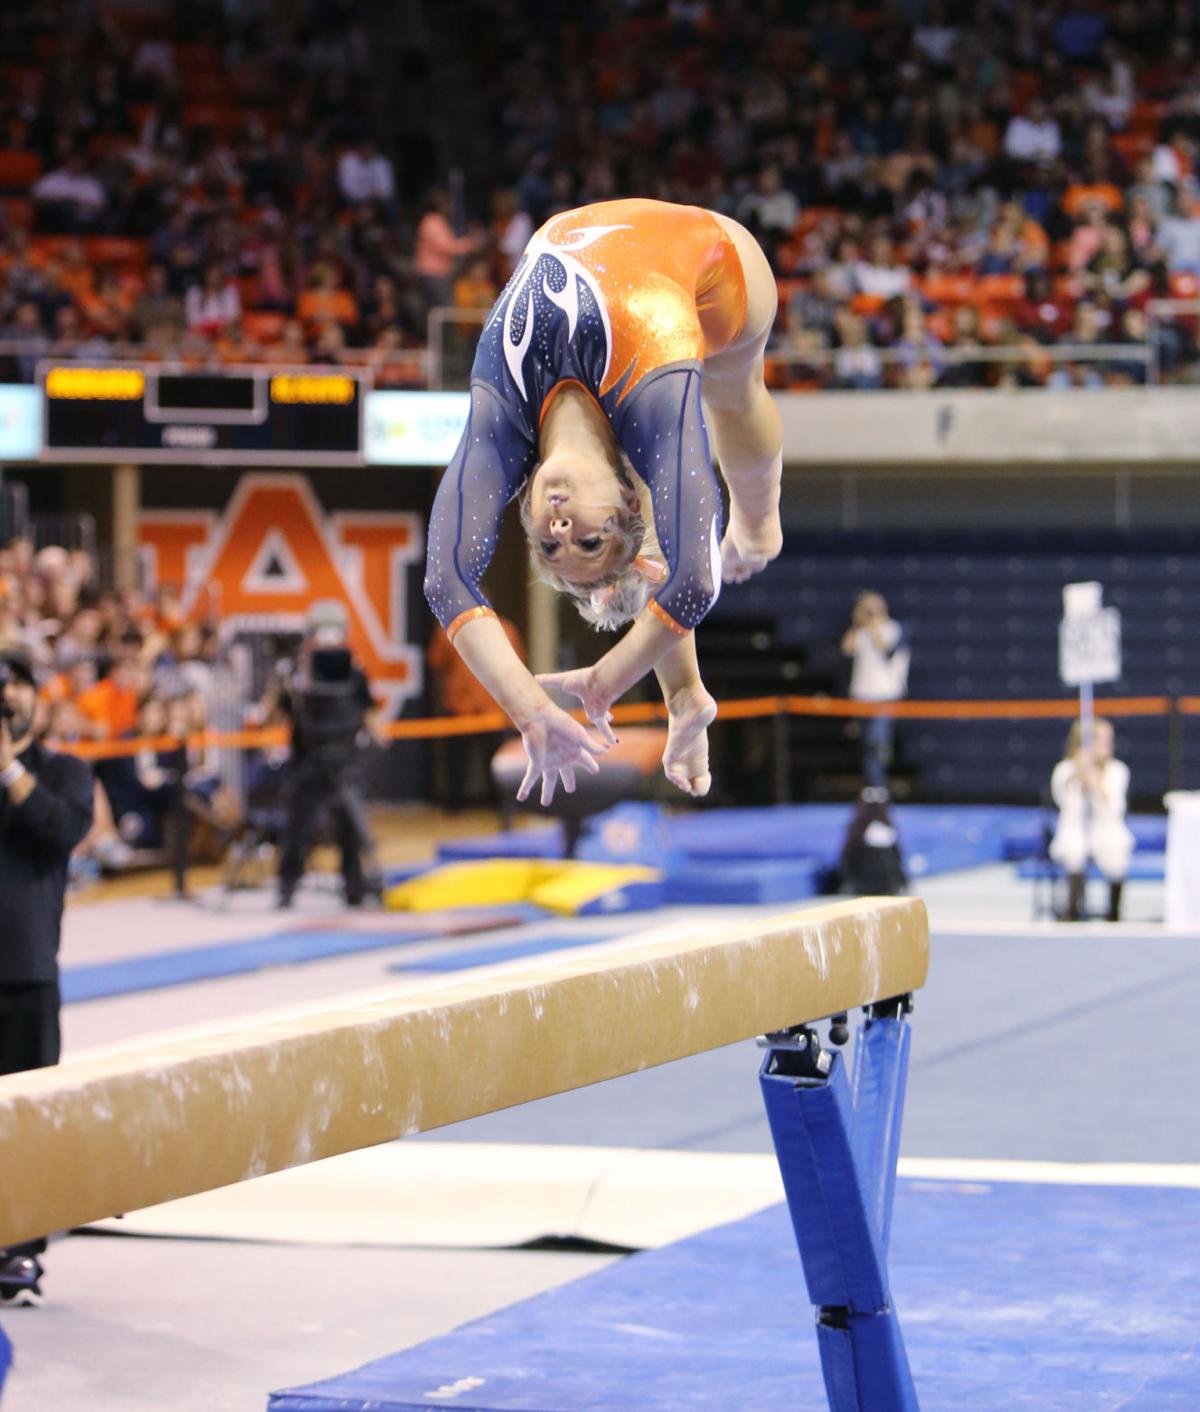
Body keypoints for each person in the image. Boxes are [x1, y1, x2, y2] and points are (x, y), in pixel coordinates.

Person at [424, 198, 783, 807]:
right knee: (732, 392)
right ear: (622, 503)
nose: (560, 526)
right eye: (588, 541)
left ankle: (685, 691)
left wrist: (533, 713)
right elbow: (695, 578)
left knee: (660, 479)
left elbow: (445, 582)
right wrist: (608, 681)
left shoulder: (504, 418)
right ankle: (759, 525)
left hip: (597, 241)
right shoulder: (653, 388)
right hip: (716, 269)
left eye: (549, 544)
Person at [0, 647, 94, 1305]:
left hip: (28, 973)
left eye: (15, 692)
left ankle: (20, 1250)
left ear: (36, 699)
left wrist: (7, 768)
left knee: (28, 1124)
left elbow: (59, 831)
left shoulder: (65, 771)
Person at [274, 602, 382, 909]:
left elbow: (368, 708)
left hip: (346, 761)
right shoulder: (299, 674)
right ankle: (286, 885)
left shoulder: (353, 672)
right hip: (308, 761)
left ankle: (355, 886)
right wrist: (287, 684)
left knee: (350, 828)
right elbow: (279, 711)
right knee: (297, 827)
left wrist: (377, 732)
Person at [1050, 717, 1133, 922]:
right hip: (1075, 828)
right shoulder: (1065, 770)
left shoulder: (1117, 770)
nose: (1108, 746)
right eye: (1102, 740)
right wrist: (1078, 776)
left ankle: (1114, 911)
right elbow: (1063, 801)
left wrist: (1097, 784)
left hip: (1105, 829)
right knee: (1075, 849)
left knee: (1116, 848)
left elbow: (1115, 810)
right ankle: (1072, 908)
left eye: (1109, 740)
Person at [841, 592, 910, 788]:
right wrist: (857, 625)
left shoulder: (894, 629)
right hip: (862, 696)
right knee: (866, 745)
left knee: (876, 742)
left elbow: (887, 651)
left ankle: (878, 789)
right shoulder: (860, 632)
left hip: (885, 696)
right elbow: (847, 649)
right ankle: (874, 788)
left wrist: (874, 626)